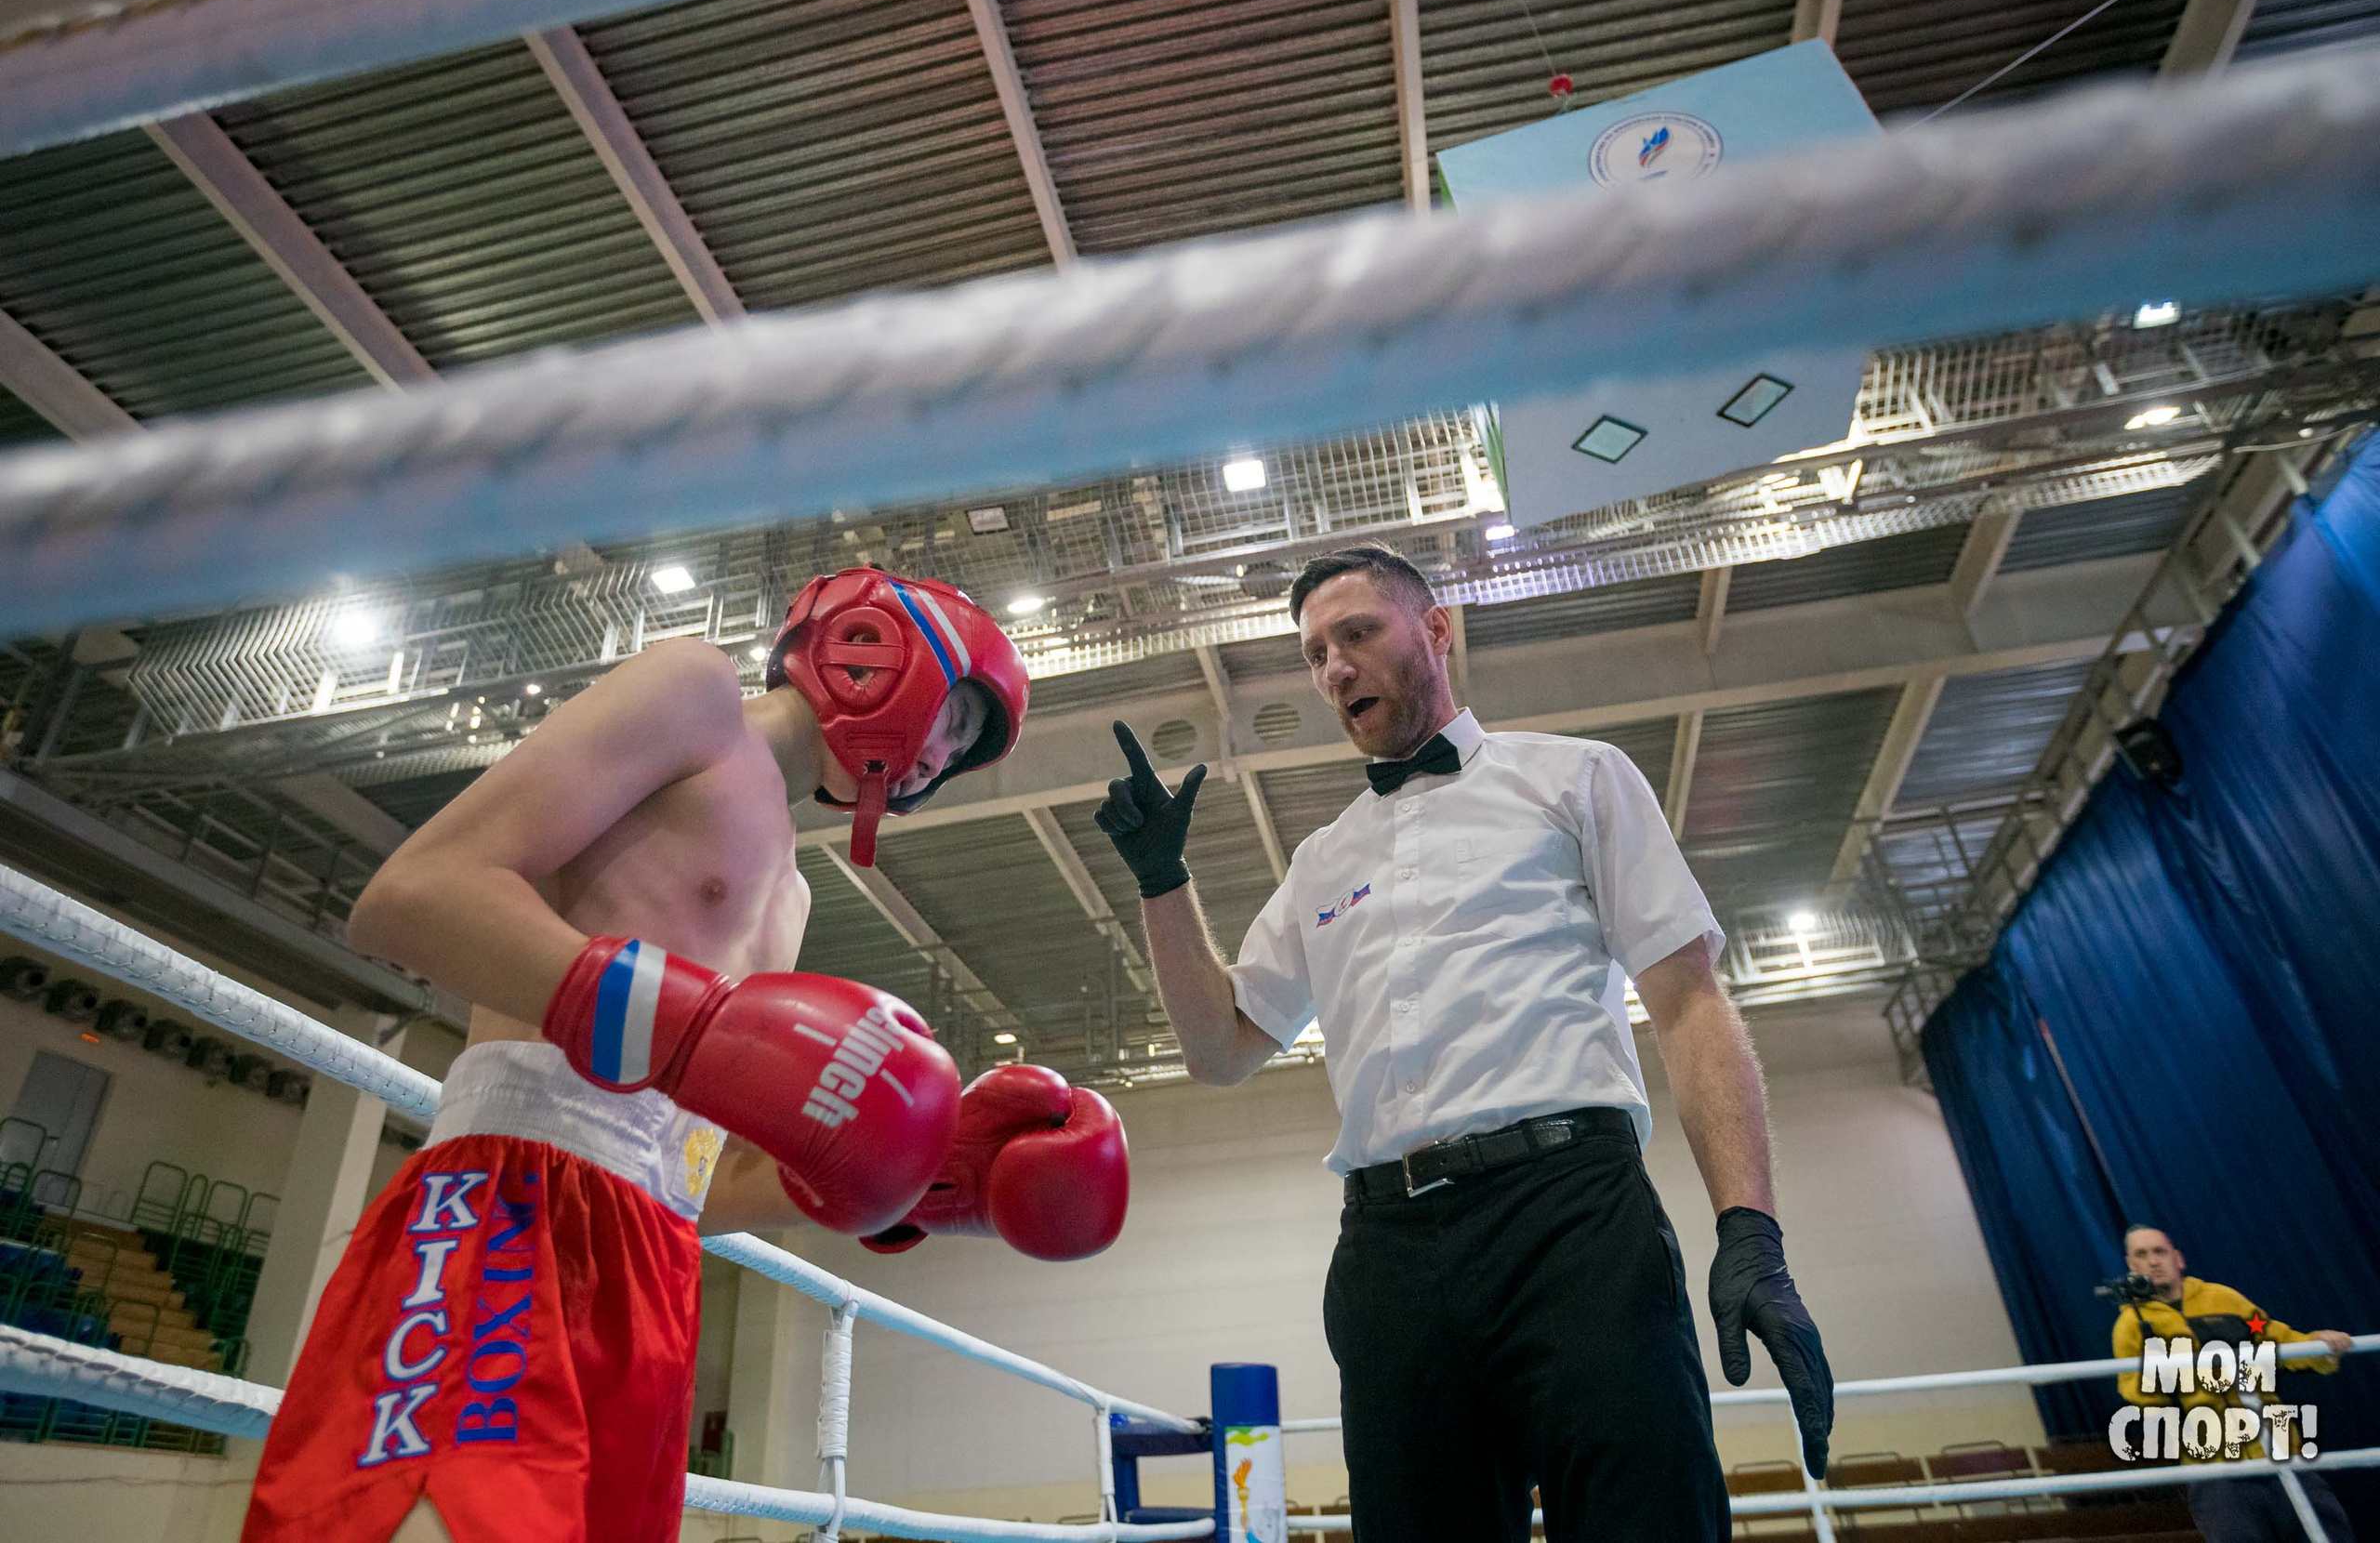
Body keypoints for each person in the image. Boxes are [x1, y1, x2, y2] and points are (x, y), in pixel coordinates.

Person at [241, 568, 1127, 1543]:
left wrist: (896, 1179)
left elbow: (685, 1177)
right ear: (876, 651)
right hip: (511, 1205)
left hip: (650, 1263)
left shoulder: (791, 894)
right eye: (956, 720)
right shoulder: (694, 697)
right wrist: (691, 1025)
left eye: (961, 752)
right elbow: (412, 896)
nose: (938, 760)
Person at [1094, 543, 1833, 1543]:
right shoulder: (1322, 862)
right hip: (1391, 1255)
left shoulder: (1575, 778)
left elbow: (1687, 1002)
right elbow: (1220, 1048)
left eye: (1357, 634)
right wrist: (1160, 883)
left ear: (1435, 630)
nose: (1335, 669)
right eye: (1316, 653)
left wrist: (1750, 1232)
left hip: (1572, 1222)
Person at [2112, 1224, 2356, 1541]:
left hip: (2281, 1450)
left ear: (2179, 1259)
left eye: (2159, 1251)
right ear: (2131, 1267)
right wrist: (2177, 1374)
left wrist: (2320, 1346)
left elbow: (2279, 1341)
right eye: (2141, 1255)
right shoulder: (2129, 1326)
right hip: (2214, 1468)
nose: (2153, 1262)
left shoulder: (2223, 1298)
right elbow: (2135, 1394)